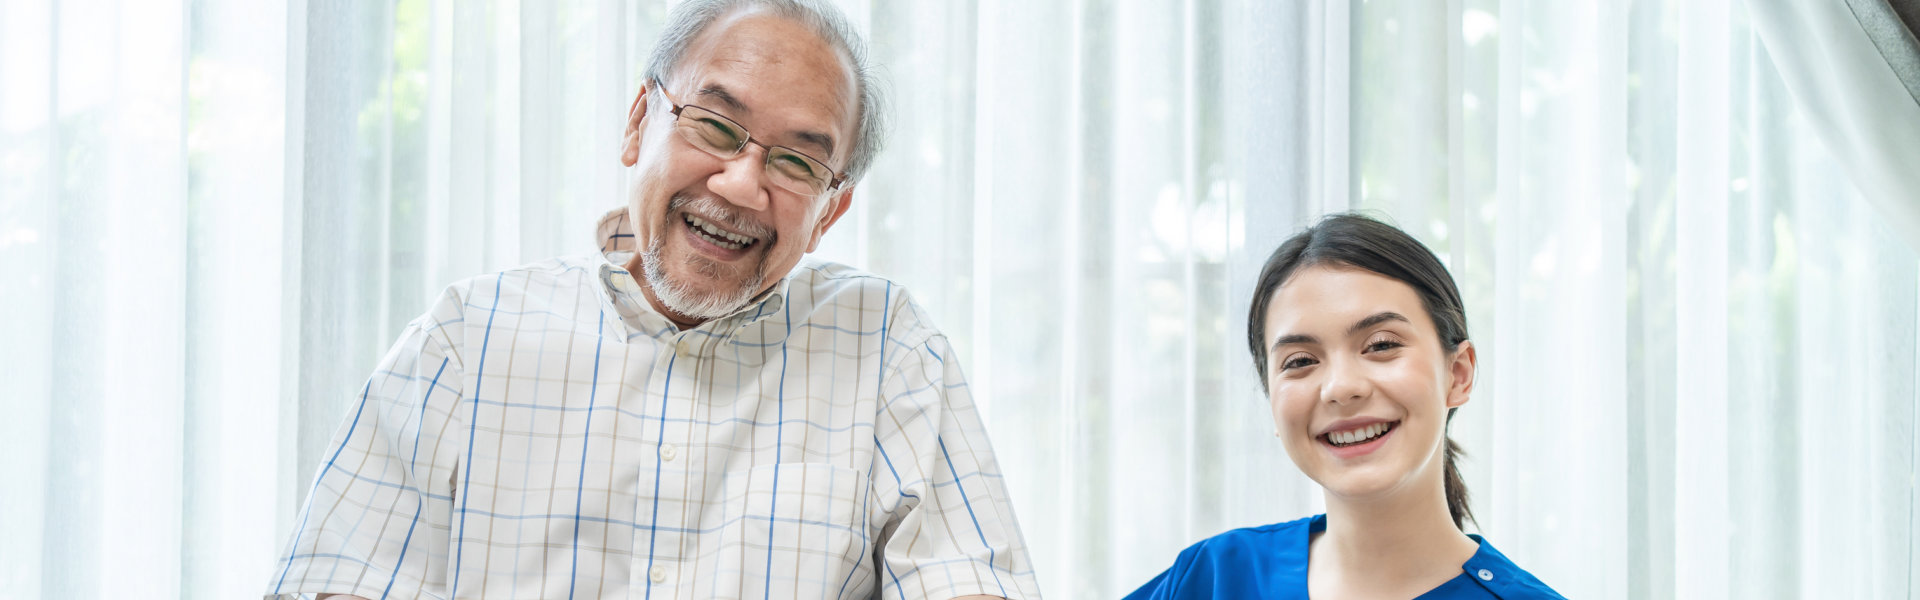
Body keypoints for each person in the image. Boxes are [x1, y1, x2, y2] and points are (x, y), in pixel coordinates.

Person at [263, 1, 1038, 598]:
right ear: (639, 124)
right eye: (714, 126)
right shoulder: (467, 337)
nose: (740, 184)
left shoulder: (887, 346)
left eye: (797, 164)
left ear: (830, 211)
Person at [1125, 214, 1562, 599]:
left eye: (1381, 345)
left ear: (1458, 374)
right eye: (1300, 362)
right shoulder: (1215, 578)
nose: (1340, 387)